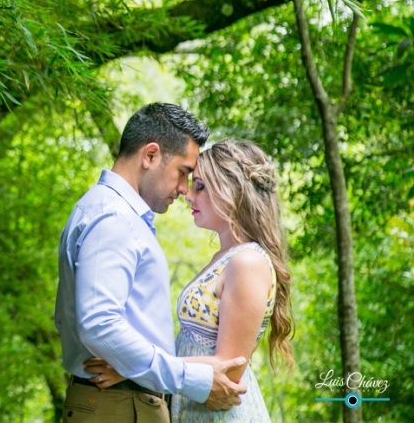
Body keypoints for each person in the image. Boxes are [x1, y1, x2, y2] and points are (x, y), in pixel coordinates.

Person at [55, 103, 247, 422]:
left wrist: (130, 365)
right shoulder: (113, 219)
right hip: (116, 407)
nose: (184, 190)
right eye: (183, 173)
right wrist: (188, 378)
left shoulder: (115, 215)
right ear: (150, 156)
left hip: (121, 401)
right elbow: (99, 323)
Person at [84, 139, 294, 422]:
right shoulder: (225, 257)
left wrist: (130, 369)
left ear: (232, 189)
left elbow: (230, 367)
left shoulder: (248, 262)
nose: (188, 195)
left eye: (201, 186)